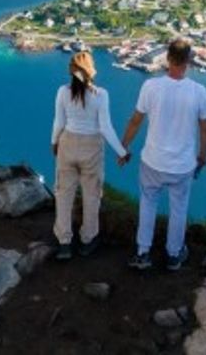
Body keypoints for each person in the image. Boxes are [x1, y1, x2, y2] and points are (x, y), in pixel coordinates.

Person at [120, 37, 206, 272]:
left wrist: (124, 148)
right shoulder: (199, 92)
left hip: (152, 161)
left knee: (148, 204)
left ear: (168, 58)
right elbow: (205, 129)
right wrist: (202, 157)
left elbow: (135, 121)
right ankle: (173, 255)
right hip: (182, 165)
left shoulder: (150, 87)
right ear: (188, 61)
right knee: (178, 208)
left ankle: (143, 253)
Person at [50, 50, 130, 260]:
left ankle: (64, 242)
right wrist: (122, 152)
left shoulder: (62, 92)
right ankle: (87, 240)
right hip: (91, 148)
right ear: (91, 71)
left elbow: (59, 122)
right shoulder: (101, 95)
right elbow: (105, 128)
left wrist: (53, 142)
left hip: (67, 144)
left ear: (71, 71)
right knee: (91, 195)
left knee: (64, 194)